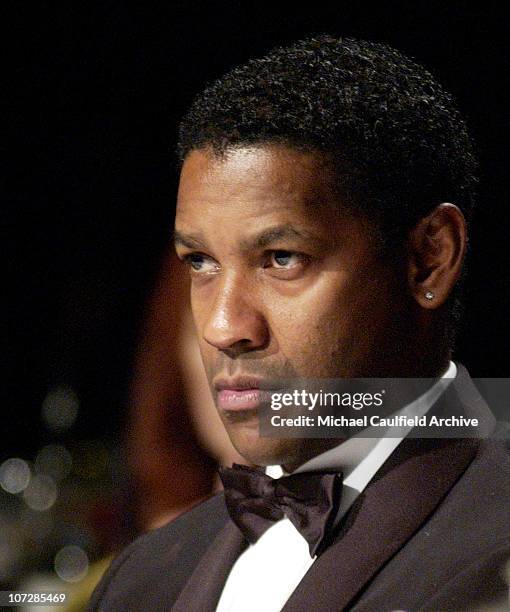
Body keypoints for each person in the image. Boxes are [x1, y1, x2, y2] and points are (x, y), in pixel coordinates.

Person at [88, 35, 510, 611]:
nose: (222, 326)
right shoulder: (142, 577)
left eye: (282, 259)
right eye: (201, 263)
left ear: (429, 258)